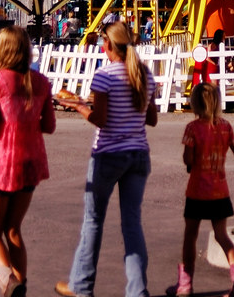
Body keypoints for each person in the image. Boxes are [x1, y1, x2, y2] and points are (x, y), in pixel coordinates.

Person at [55, 20, 157, 297]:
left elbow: (100, 120)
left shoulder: (104, 75)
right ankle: (138, 290)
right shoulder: (144, 75)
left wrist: (77, 106)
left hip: (108, 154)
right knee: (132, 223)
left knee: (93, 221)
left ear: (109, 45)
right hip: (138, 153)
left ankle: (82, 286)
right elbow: (152, 118)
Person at [0, 27, 55, 297]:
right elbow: (48, 125)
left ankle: (9, 282)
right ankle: (19, 287)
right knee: (13, 229)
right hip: (31, 161)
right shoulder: (41, 81)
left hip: (1, 163)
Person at [166, 82, 234, 297]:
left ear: (195, 104)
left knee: (191, 236)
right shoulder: (225, 127)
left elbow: (188, 158)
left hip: (197, 191)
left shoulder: (193, 128)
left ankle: (185, 284)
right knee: (221, 235)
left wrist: (190, 160)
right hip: (219, 191)